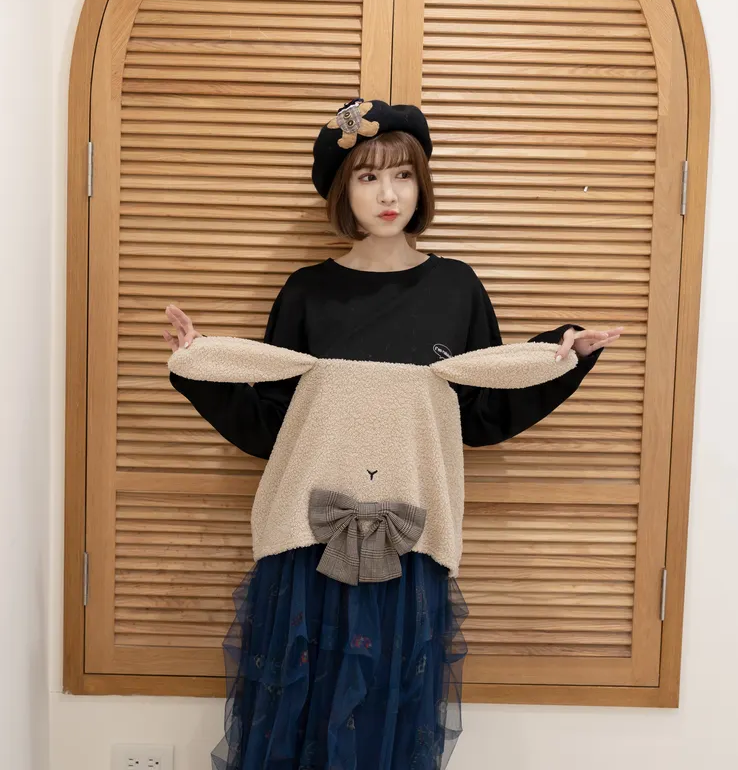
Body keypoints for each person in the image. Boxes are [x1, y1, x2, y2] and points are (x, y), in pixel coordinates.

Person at [162, 99, 623, 770]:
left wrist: (560, 355)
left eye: (403, 175)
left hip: (411, 548)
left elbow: (481, 412)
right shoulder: (307, 292)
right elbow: (273, 428)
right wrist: (201, 367)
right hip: (306, 547)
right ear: (341, 190)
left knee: (386, 723)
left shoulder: (456, 288)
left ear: (421, 183)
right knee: (300, 720)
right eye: (368, 176)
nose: (388, 194)